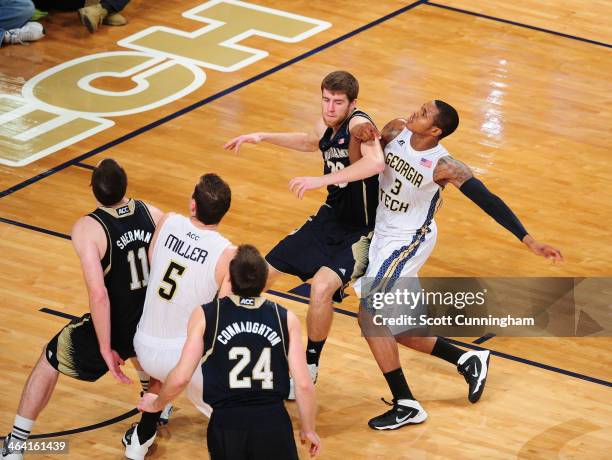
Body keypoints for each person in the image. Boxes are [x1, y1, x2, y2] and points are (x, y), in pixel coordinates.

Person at [289, 100, 563, 429]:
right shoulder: (394, 129)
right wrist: (360, 135)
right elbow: (360, 159)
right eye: (419, 108)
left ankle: (406, 403)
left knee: (370, 316)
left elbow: (487, 200)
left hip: (408, 239)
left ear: (435, 131)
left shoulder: (444, 165)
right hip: (379, 231)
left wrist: (528, 239)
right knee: (400, 328)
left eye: (423, 115)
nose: (415, 113)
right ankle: (468, 359)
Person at [224, 70, 381, 395]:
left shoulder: (358, 125)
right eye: (326, 99)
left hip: (361, 232)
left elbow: (375, 164)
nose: (330, 107)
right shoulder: (326, 125)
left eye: (338, 102)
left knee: (321, 288)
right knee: (260, 275)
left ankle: (309, 367)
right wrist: (263, 136)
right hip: (327, 220)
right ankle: (223, 342)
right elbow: (311, 142)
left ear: (353, 103)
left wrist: (321, 181)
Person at [1, 159, 163, 460]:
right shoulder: (153, 214)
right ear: (126, 184)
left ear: (93, 190)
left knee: (50, 360)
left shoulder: (88, 227)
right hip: (150, 320)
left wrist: (104, 347)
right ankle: (156, 405)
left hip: (117, 324)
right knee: (143, 351)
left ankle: (16, 446)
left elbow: (99, 294)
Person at [139, 245, 321, 459]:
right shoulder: (285, 317)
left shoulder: (206, 315)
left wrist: (157, 403)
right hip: (273, 422)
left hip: (227, 423)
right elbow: (303, 384)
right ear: (264, 282)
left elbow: (181, 377)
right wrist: (308, 428)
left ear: (230, 279)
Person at [122, 173, 236, 460]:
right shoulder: (227, 253)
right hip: (183, 358)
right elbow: (222, 310)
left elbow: (152, 260)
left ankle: (140, 440)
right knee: (232, 416)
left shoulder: (168, 221)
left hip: (144, 346)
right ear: (223, 213)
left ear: (193, 205)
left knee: (161, 378)